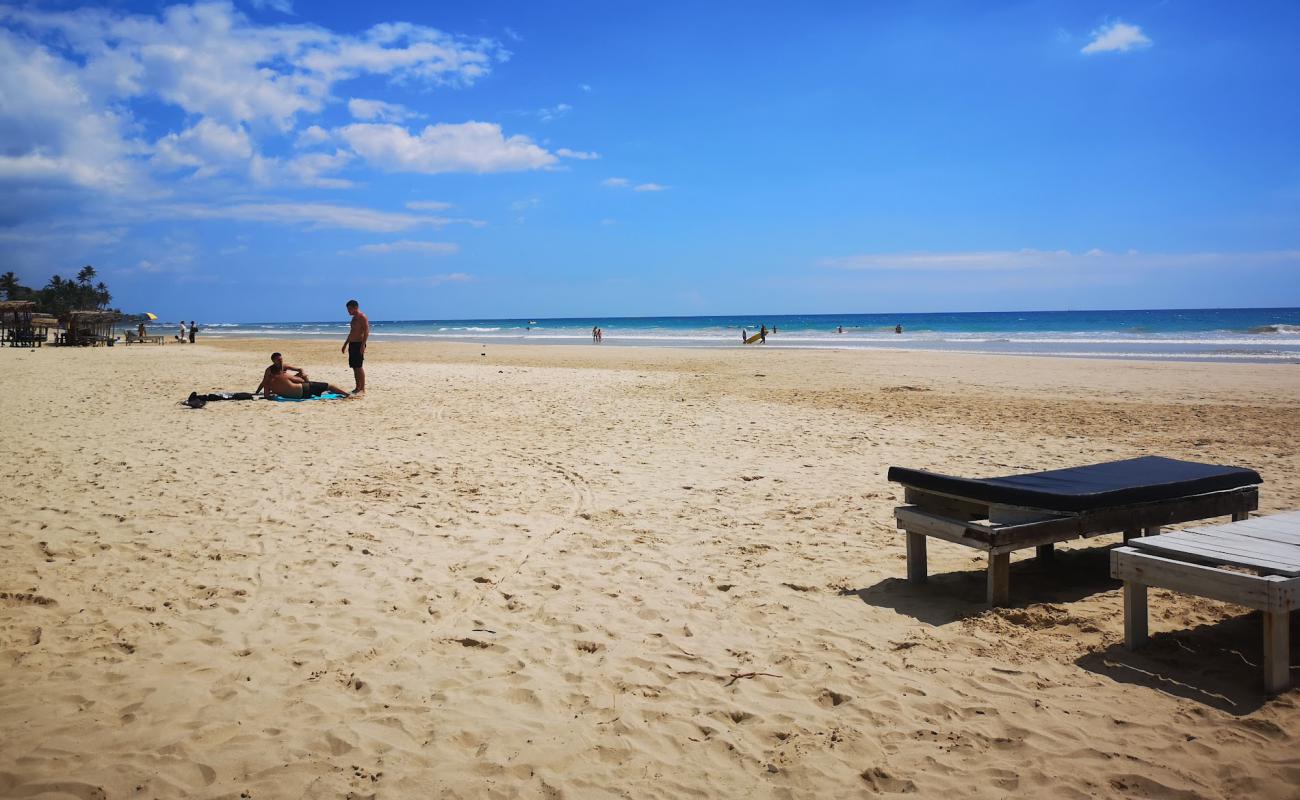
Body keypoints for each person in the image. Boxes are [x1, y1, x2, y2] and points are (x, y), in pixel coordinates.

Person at [262, 363, 349, 399]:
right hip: (304, 391)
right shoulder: (284, 375)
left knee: (318, 388)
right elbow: (301, 380)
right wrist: (301, 377)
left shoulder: (267, 384)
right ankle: (347, 394)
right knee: (329, 386)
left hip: (298, 396)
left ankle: (322, 391)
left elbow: (267, 396)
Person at [342, 299, 369, 394]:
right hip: (352, 344)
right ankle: (357, 387)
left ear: (355, 307)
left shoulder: (362, 317)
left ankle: (363, 388)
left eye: (350, 309)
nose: (348, 311)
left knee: (359, 366)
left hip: (359, 344)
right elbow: (352, 332)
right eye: (347, 309)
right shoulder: (353, 318)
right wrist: (345, 344)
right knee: (354, 366)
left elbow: (366, 332)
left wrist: (363, 345)